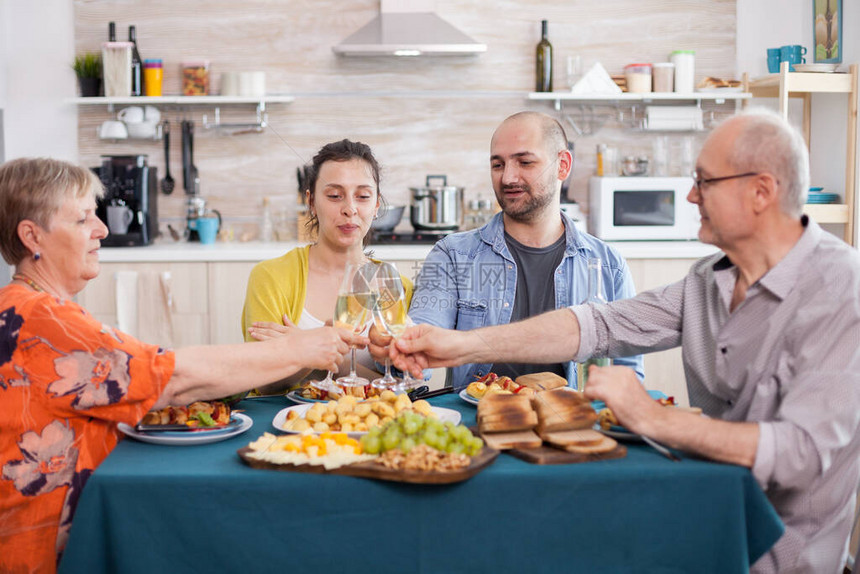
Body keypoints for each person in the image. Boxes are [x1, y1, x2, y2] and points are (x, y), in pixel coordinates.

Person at [388, 109, 860, 573]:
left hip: (780, 556)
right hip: (704, 517)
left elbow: (800, 453)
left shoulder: (841, 288)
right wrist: (464, 346)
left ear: (761, 192)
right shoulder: (705, 281)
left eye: (705, 181)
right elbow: (598, 324)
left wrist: (652, 417)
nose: (691, 195)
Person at [0, 158, 363, 573]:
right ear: (32, 237)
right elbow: (172, 378)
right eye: (83, 219)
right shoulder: (41, 319)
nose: (102, 229)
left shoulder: (26, 307)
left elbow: (144, 373)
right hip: (36, 553)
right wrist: (301, 349)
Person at [372, 111, 642, 390]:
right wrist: (395, 346)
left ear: (562, 166)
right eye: (498, 165)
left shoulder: (608, 265)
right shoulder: (453, 256)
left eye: (524, 162)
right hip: (477, 426)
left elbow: (629, 377)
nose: (508, 177)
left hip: (572, 428)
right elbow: (419, 346)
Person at [242, 139, 412, 393]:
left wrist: (305, 348)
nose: (350, 209)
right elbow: (263, 381)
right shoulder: (270, 277)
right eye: (334, 196)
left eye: (363, 196)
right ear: (311, 202)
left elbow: (403, 388)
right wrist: (318, 350)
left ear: (376, 205)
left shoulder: (397, 286)